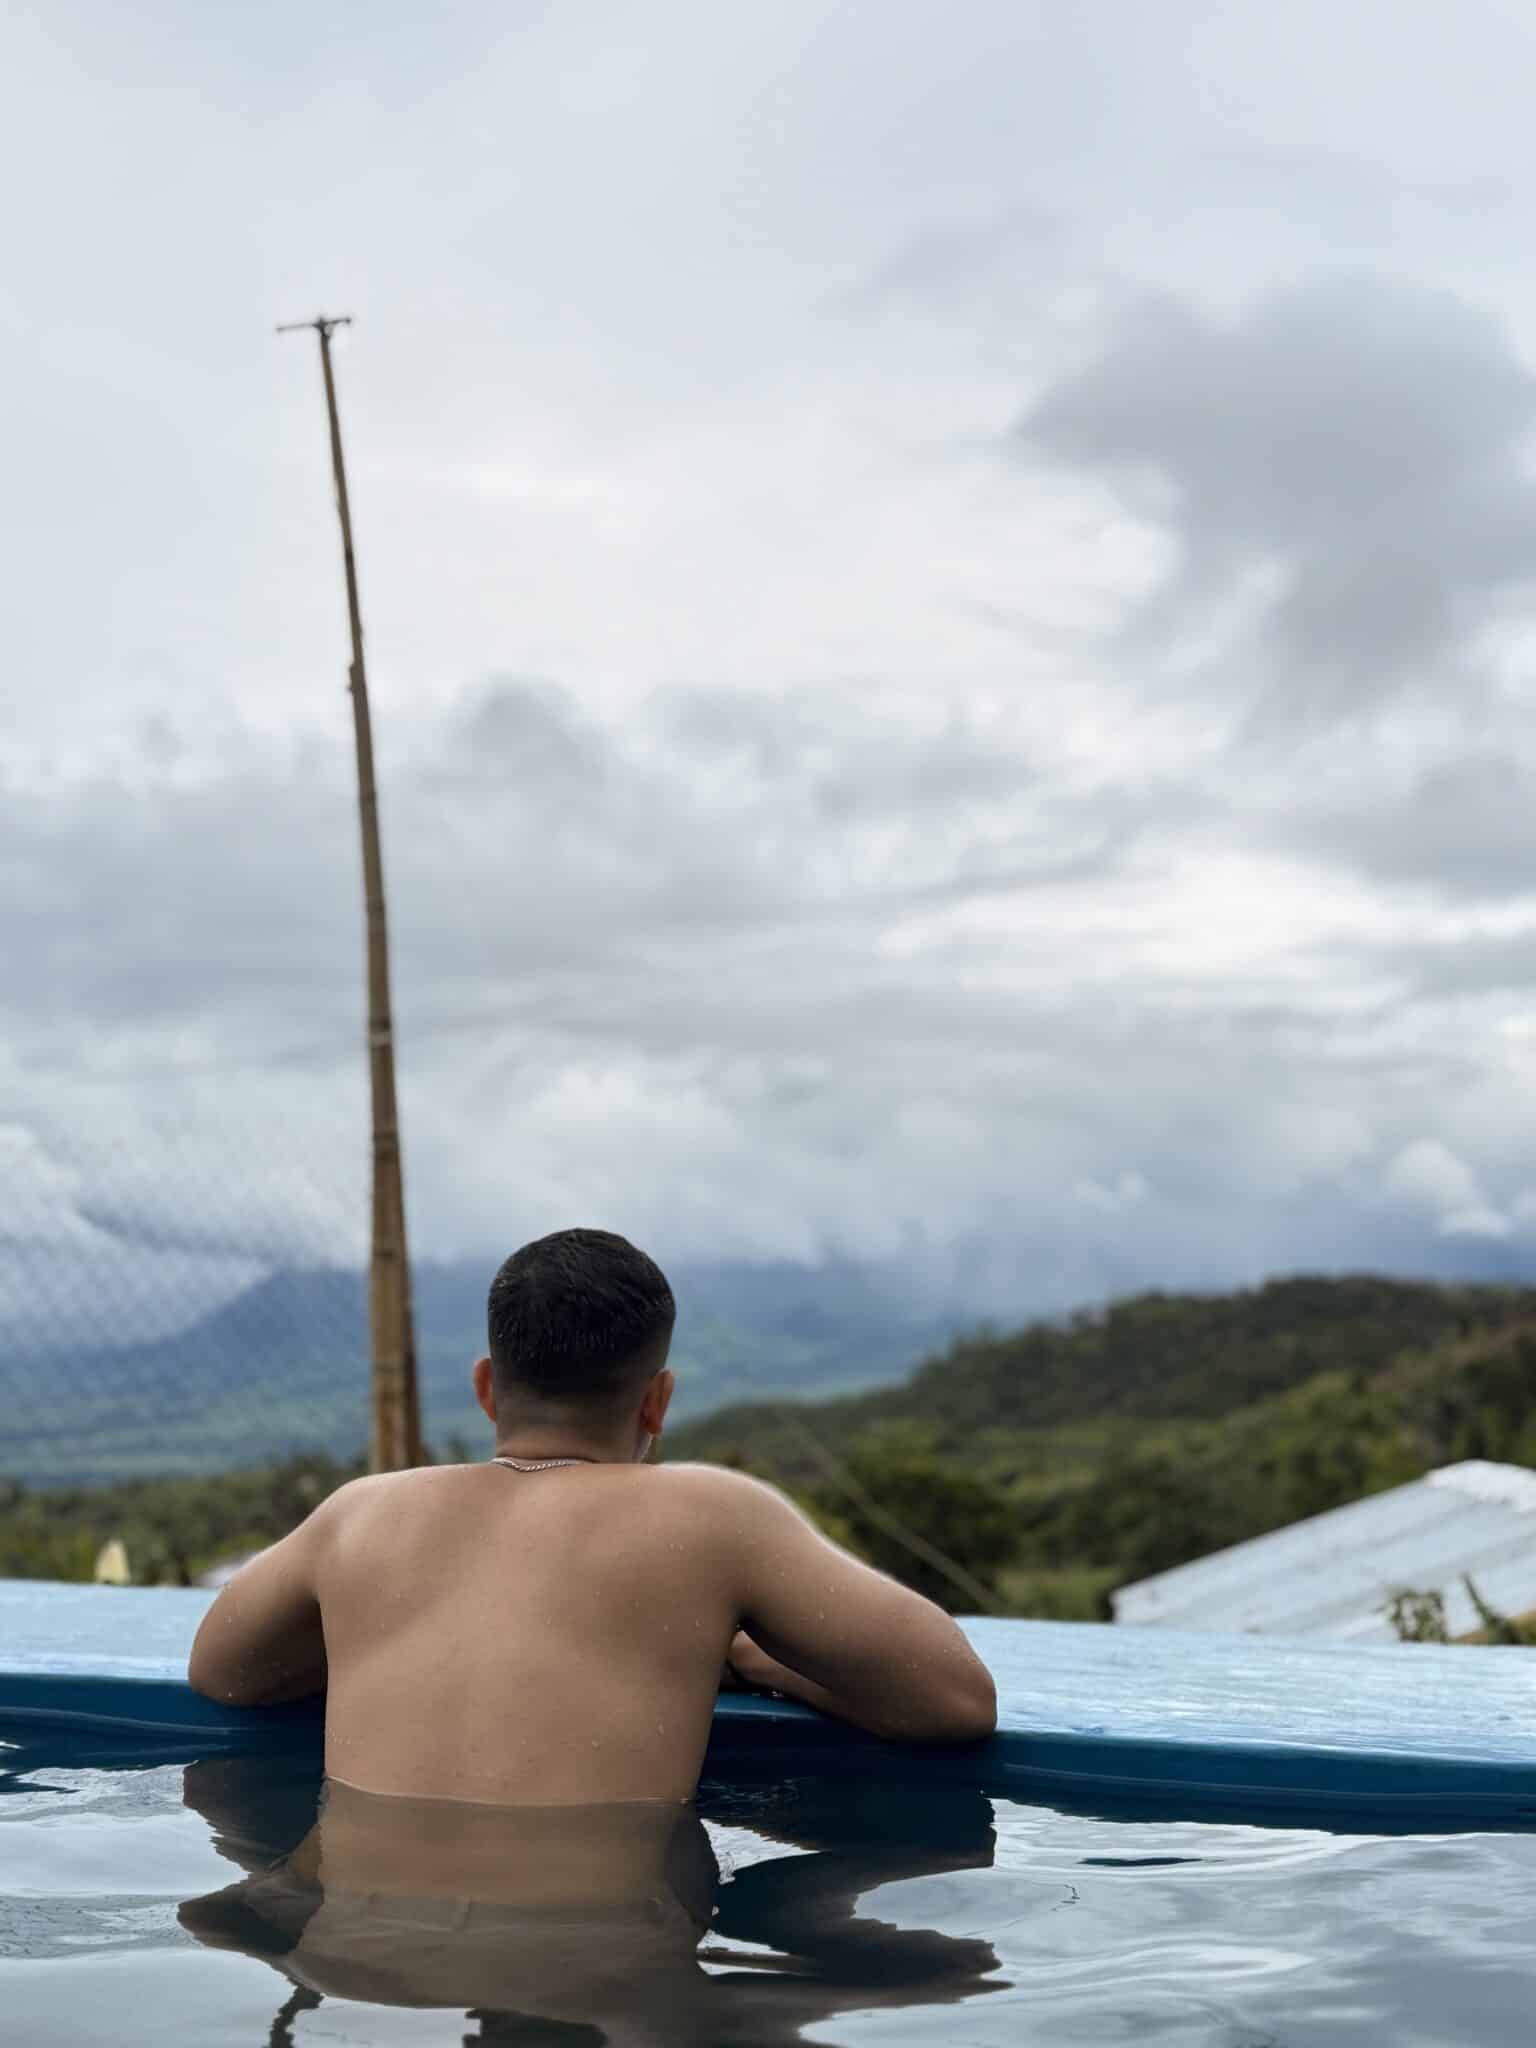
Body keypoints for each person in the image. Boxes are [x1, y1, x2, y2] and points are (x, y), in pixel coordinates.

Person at [188, 1227, 997, 1805]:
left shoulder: (361, 1516)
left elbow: (222, 1674)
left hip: (365, 1972)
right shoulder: (710, 1518)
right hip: (606, 1977)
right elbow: (957, 1704)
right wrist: (755, 1662)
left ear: (486, 1387)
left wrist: (380, 1632)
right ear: (658, 1402)